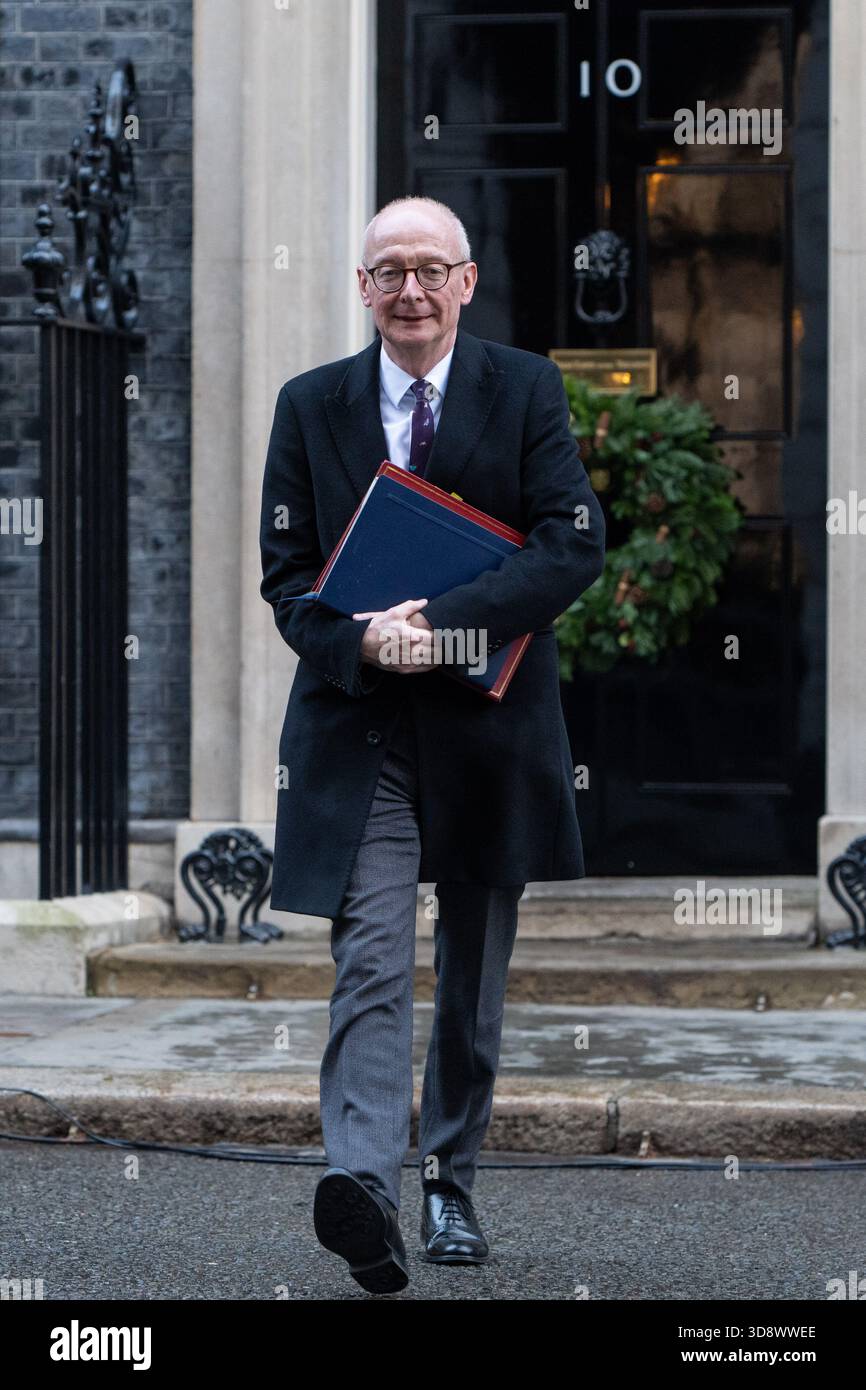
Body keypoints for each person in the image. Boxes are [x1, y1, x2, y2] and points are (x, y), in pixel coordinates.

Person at [259, 196, 605, 1294]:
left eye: (428, 269)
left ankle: (449, 1178)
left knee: (470, 974)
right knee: (367, 955)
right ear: (362, 288)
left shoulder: (528, 388)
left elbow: (568, 548)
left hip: (489, 728)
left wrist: (442, 628)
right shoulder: (308, 404)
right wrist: (365, 641)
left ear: (464, 282)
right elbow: (287, 579)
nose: (409, 289)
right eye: (387, 271)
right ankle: (362, 1184)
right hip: (360, 730)